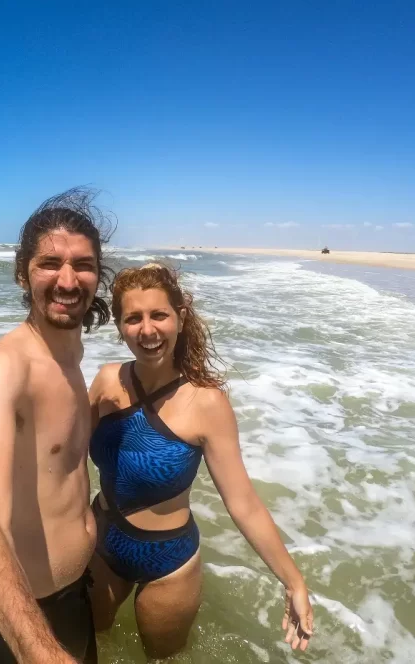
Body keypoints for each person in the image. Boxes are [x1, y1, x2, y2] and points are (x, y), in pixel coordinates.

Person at [87, 263, 314, 659]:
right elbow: (66, 459)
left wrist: (293, 582)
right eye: (133, 318)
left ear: (179, 317)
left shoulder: (207, 403)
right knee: (92, 646)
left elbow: (242, 503)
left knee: (162, 658)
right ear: (120, 326)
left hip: (167, 560)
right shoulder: (108, 380)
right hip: (102, 539)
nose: (147, 330)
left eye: (159, 315)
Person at [0, 188, 114, 664]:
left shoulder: (73, 353)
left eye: (83, 265)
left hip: (76, 594)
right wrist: (37, 650)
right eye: (50, 263)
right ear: (22, 272)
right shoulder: (7, 366)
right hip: (27, 619)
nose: (68, 280)